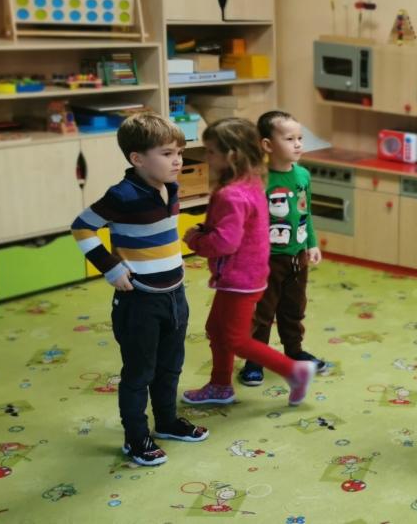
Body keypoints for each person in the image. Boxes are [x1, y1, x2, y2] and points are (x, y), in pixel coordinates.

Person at [71, 113, 206, 466]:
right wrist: (110, 267)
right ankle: (135, 439)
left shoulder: (171, 187)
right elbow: (82, 227)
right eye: (167, 153)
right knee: (139, 373)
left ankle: (167, 422)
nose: (177, 160)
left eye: (179, 152)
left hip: (175, 294)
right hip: (139, 301)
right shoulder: (123, 195)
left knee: (170, 366)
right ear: (138, 159)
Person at [181, 118, 316, 407]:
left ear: (231, 156)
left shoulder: (231, 194)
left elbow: (226, 242)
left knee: (236, 339)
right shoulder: (253, 181)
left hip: (239, 277)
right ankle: (220, 385)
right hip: (248, 273)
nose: (206, 157)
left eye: (211, 151)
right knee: (217, 329)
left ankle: (294, 371)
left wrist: (195, 240)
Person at [238, 111, 327, 386]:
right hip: (266, 261)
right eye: (289, 139)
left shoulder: (302, 175)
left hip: (297, 258)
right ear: (267, 145)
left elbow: (305, 212)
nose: (298, 144)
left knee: (294, 308)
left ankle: (294, 350)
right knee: (263, 313)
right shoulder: (258, 180)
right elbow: (247, 222)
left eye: (300, 138)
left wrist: (311, 243)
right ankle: (255, 360)